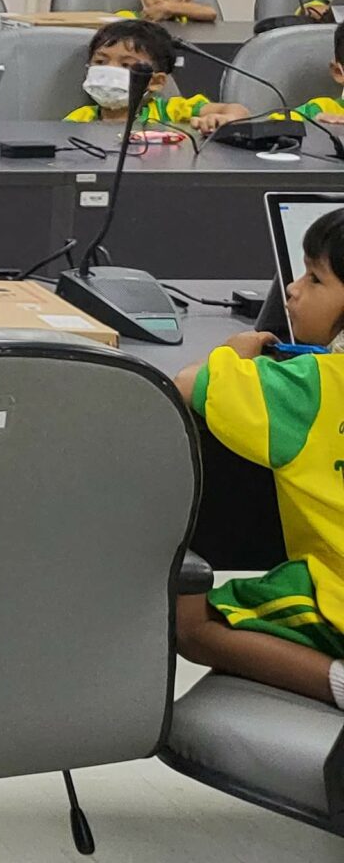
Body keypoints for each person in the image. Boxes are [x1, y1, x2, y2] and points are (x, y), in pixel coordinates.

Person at [172, 206, 344, 712]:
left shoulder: (309, 387)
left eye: (315, 278)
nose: (293, 288)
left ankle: (336, 681)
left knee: (193, 622)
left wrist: (234, 352)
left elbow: (187, 385)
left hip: (337, 600)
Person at [64, 19, 243, 129]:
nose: (110, 71)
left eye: (126, 65)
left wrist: (223, 119)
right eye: (100, 62)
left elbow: (238, 111)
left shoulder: (171, 111)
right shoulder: (79, 119)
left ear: (156, 81)